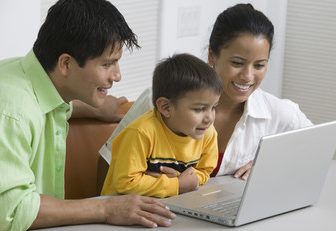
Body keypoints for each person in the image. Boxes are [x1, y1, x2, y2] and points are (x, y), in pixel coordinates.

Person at [0, 0, 175, 231]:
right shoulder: (12, 114)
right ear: (66, 64)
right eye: (107, 64)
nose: (118, 75)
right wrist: (105, 207)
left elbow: (44, 102)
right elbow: (10, 212)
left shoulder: (26, 75)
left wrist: (92, 108)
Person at [99, 3, 312, 181]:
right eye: (237, 63)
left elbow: (317, 149)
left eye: (259, 65)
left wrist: (271, 161)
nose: (247, 76)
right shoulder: (163, 99)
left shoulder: (277, 113)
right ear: (212, 55)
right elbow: (108, 164)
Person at [101, 53, 223, 198]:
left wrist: (180, 179)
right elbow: (126, 183)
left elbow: (204, 171)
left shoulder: (208, 133)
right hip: (120, 208)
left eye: (213, 107)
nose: (210, 118)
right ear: (166, 107)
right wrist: (177, 184)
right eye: (199, 109)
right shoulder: (140, 133)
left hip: (165, 204)